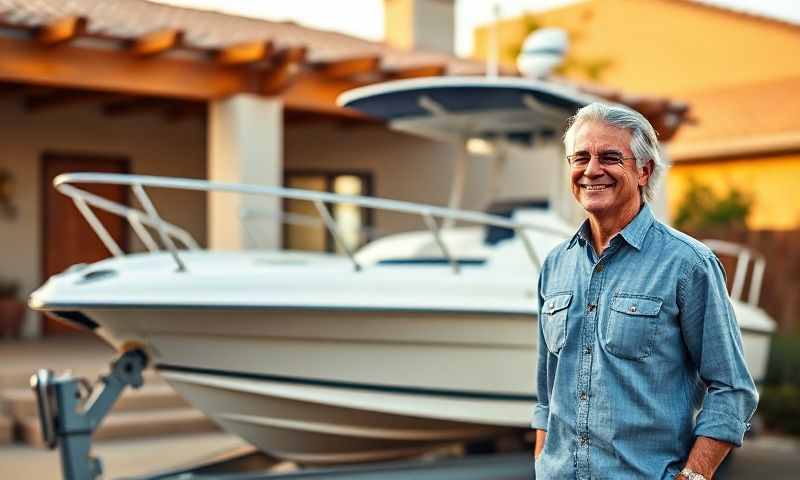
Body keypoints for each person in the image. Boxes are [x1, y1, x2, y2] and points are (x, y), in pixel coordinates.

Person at [531, 102, 758, 479]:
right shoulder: (556, 265)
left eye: (609, 157)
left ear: (643, 171)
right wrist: (542, 467)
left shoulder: (688, 264)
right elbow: (546, 395)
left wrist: (694, 476)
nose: (591, 170)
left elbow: (732, 389)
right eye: (581, 157)